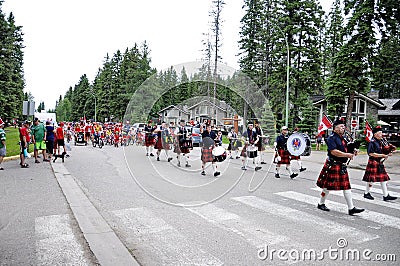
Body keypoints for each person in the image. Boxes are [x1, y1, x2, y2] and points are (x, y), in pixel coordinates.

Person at [316, 119, 365, 215]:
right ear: (335, 128)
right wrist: (347, 155)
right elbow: (334, 151)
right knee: (327, 187)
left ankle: (351, 208)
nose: (343, 128)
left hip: (341, 165)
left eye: (343, 126)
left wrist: (353, 151)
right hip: (333, 164)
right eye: (341, 127)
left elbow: (347, 148)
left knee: (346, 186)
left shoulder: (344, 138)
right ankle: (321, 203)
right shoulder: (331, 138)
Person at [363, 126, 397, 201]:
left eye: (381, 133)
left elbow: (383, 150)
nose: (381, 134)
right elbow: (371, 153)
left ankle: (386, 195)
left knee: (383, 179)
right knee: (371, 180)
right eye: (380, 133)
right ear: (375, 134)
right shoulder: (372, 142)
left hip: (380, 162)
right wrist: (382, 155)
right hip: (373, 162)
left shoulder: (381, 141)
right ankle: (366, 193)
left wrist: (388, 152)